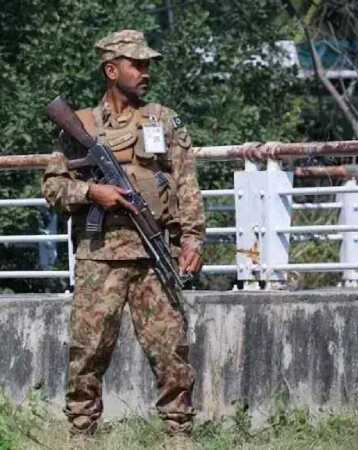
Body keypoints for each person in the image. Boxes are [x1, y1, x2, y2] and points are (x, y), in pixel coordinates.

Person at [42, 30, 205, 447]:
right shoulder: (82, 125)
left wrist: (193, 240)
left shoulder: (163, 119)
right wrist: (93, 192)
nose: (146, 72)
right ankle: (82, 433)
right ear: (111, 71)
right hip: (100, 257)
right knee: (88, 350)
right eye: (138, 64)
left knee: (171, 348)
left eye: (148, 64)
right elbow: (54, 189)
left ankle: (178, 433)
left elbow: (187, 183)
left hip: (155, 255)